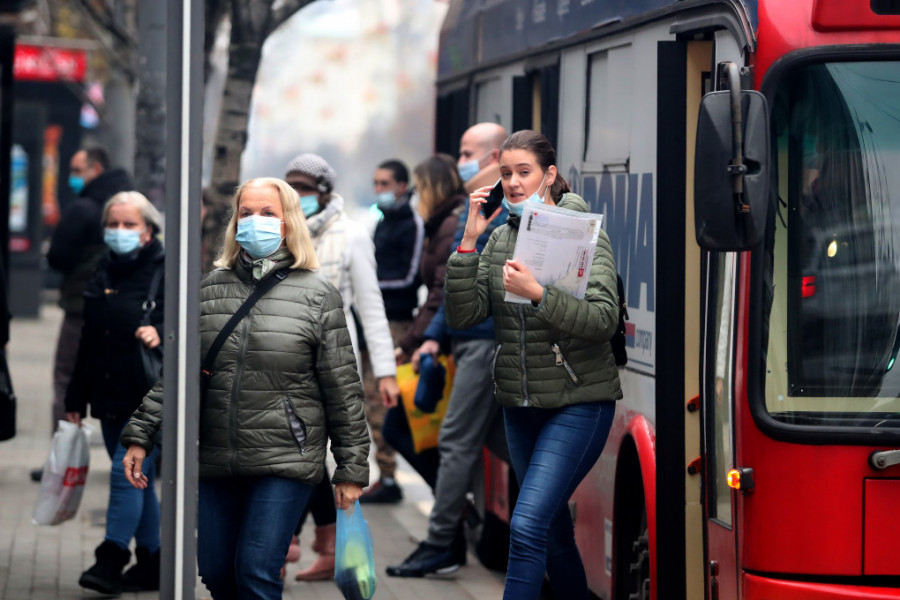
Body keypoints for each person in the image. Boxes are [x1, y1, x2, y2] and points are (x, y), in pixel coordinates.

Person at [121, 178, 370, 599]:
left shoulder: (318, 295)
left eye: (268, 213)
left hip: (286, 458)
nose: (255, 221)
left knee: (255, 572)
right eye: (246, 213)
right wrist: (140, 435)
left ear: (289, 223)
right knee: (217, 574)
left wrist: (351, 469)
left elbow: (343, 389)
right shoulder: (209, 289)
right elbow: (177, 373)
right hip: (219, 453)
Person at [444, 130, 622, 600]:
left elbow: (604, 319)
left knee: (526, 522)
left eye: (524, 173)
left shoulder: (583, 232)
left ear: (549, 175)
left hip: (579, 402)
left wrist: (540, 296)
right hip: (519, 406)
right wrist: (467, 243)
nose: (514, 183)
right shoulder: (501, 239)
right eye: (506, 174)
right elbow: (464, 316)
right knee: (551, 531)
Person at [387, 124, 510, 578]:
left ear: (491, 154)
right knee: (504, 440)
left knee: (457, 440)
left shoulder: (502, 206)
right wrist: (437, 336)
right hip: (468, 339)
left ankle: (442, 543)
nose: (459, 161)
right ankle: (545, 514)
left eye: (465, 152)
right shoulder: (475, 206)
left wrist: (433, 334)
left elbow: (462, 284)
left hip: (483, 342)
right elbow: (454, 281)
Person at [283, 154, 399, 581]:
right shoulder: (278, 229)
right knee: (299, 449)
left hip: (335, 357)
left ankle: (301, 544)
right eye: (290, 187)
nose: (297, 197)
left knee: (317, 453)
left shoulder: (351, 234)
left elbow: (371, 307)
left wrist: (385, 372)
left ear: (325, 192)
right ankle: (311, 543)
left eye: (305, 189)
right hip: (285, 358)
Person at [64, 191, 165, 595]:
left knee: (127, 475)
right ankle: (155, 561)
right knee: (140, 479)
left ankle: (111, 557)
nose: (119, 232)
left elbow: (195, 335)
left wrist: (163, 335)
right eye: (113, 224)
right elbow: (87, 339)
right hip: (107, 394)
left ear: (148, 231)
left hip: (149, 399)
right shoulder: (101, 270)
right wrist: (74, 398)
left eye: (129, 225)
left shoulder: (166, 271)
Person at [34, 147, 134, 482]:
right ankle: (143, 459)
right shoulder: (133, 202)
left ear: (95, 169)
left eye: (77, 170)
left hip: (80, 308)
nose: (73, 177)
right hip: (129, 311)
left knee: (67, 380)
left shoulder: (83, 209)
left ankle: (62, 462)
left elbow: (58, 255)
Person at [381, 154, 467, 492]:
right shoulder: (442, 225)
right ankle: (451, 513)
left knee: (398, 428)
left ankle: (451, 510)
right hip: (437, 343)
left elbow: (439, 294)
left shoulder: (448, 227)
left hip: (441, 346)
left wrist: (411, 342)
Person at [362, 159, 424, 504]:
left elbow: (410, 276)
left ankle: (390, 477)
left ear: (402, 186)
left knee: (387, 399)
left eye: (384, 183)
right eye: (376, 184)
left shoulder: (412, 224)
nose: (379, 191)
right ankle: (385, 475)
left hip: (396, 323)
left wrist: (369, 286)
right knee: (371, 401)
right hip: (373, 320)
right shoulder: (382, 221)